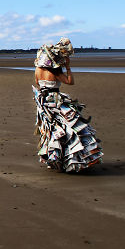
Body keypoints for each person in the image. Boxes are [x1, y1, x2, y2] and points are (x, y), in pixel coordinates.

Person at [32, 37, 102, 172]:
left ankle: (53, 159)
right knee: (69, 128)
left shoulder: (37, 70)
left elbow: (37, 83)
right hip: (56, 101)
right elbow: (70, 81)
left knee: (50, 131)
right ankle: (71, 158)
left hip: (43, 102)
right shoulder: (55, 71)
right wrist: (68, 67)